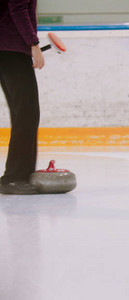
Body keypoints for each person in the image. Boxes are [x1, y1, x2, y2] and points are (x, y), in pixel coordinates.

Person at [0, 0, 44, 194]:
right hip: (11, 49)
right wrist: (33, 43)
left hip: (7, 48)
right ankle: (14, 178)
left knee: (21, 113)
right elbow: (18, 8)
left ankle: (18, 175)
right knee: (27, 113)